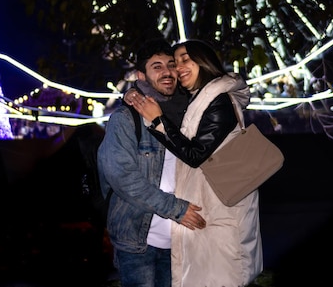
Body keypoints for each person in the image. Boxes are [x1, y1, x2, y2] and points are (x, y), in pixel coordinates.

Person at [128, 39, 263, 287]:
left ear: (204, 61)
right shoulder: (198, 99)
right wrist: (133, 92)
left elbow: (195, 154)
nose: (178, 68)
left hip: (221, 213)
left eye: (184, 60)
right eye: (175, 62)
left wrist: (158, 121)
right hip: (210, 210)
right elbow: (158, 91)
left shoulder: (218, 101)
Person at [97, 38, 207, 287]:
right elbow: (122, 178)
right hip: (138, 241)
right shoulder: (125, 119)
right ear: (141, 75)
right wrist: (176, 209)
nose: (167, 72)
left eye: (170, 65)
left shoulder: (189, 115)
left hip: (183, 241)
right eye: (156, 66)